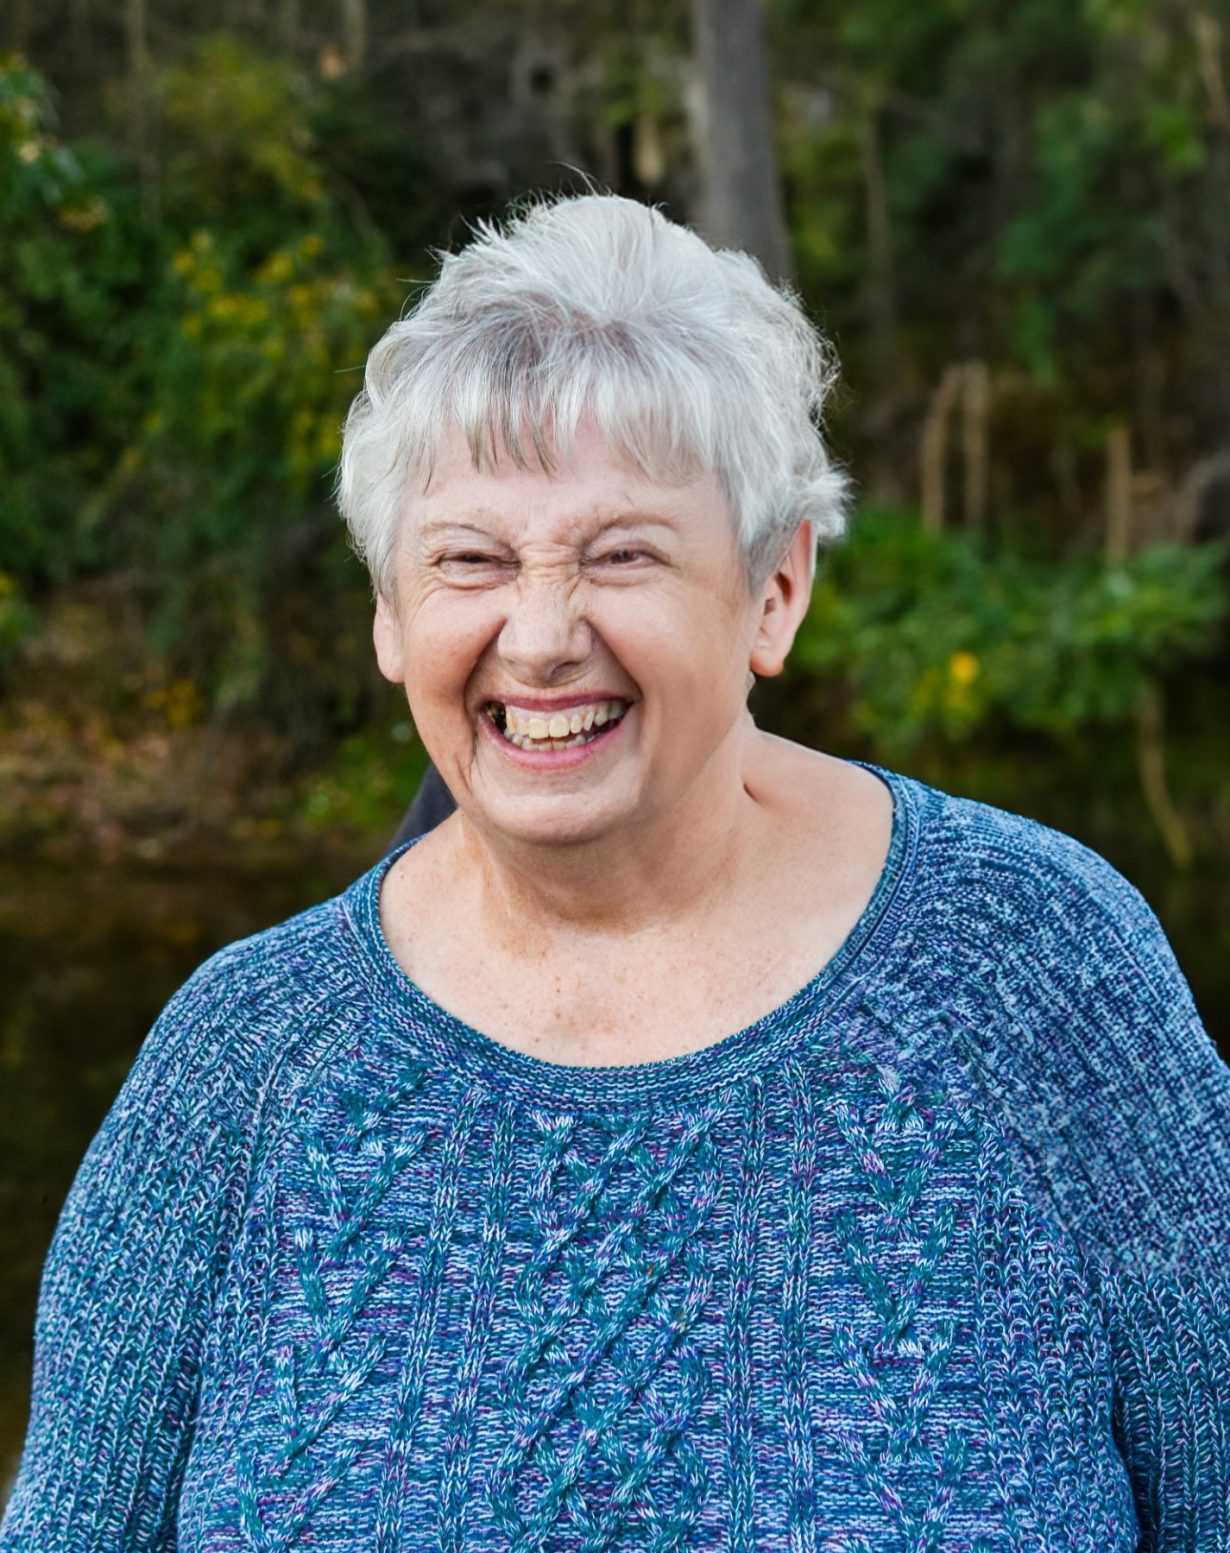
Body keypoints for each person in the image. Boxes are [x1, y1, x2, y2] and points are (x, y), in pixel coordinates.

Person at [2, 191, 1228, 1553]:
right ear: (390, 614)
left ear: (774, 589)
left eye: (621, 554)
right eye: (469, 559)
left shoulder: (1035, 970)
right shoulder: (245, 1064)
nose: (539, 637)